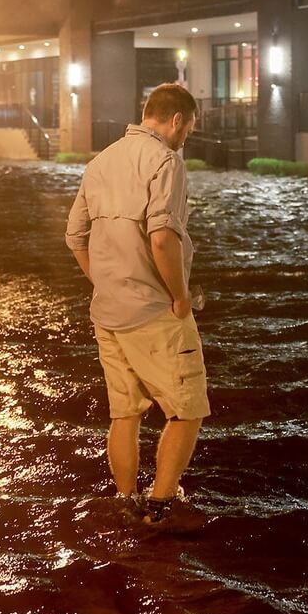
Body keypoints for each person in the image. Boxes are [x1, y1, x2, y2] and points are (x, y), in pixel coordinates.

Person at [65, 82, 207, 524]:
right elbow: (163, 238)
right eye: (189, 130)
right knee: (186, 409)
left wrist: (105, 281)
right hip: (153, 312)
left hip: (108, 313)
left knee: (125, 414)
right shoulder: (167, 161)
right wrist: (180, 299)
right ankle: (161, 506)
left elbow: (74, 238)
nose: (186, 139)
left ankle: (126, 501)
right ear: (177, 120)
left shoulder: (100, 162)